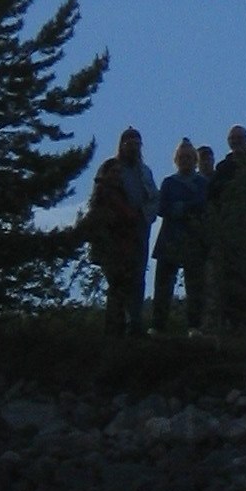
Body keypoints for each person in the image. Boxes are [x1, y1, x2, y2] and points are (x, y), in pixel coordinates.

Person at [208, 126, 246, 331]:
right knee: (229, 278)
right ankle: (231, 322)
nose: (236, 141)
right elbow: (214, 196)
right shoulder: (223, 167)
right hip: (229, 230)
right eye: (232, 138)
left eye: (239, 138)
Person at [80, 157, 144, 335]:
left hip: (122, 246)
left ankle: (117, 328)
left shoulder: (117, 192)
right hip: (112, 248)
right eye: (113, 172)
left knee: (120, 289)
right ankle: (114, 330)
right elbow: (116, 217)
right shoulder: (105, 193)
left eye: (118, 172)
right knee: (117, 288)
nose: (117, 175)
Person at [152, 138, 209, 332]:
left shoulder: (202, 183)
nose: (185, 161)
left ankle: (194, 326)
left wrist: (183, 207)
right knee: (163, 285)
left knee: (195, 287)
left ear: (195, 160)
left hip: (194, 239)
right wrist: (181, 208)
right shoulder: (168, 183)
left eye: (189, 157)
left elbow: (203, 205)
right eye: (182, 157)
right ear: (176, 160)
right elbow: (161, 208)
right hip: (170, 238)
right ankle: (158, 325)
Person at [114, 127, 159, 336]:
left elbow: (154, 198)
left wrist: (143, 215)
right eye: (129, 143)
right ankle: (116, 323)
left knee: (138, 275)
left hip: (140, 229)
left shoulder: (145, 171)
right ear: (122, 145)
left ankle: (135, 323)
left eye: (136, 143)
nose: (133, 147)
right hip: (118, 230)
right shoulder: (113, 170)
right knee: (119, 277)